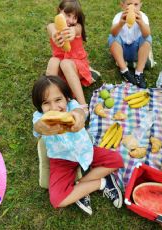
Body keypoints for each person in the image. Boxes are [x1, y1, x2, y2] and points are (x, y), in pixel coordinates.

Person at [32, 76, 124, 215]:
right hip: (61, 160)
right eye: (46, 103)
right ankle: (100, 183)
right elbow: (38, 127)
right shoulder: (39, 117)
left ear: (66, 98)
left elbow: (79, 113)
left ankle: (81, 185)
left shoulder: (72, 106)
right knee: (57, 200)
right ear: (40, 107)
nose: (54, 107)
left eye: (58, 100)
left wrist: (77, 118)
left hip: (86, 151)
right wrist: (44, 127)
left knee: (117, 160)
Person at [46, 0, 95, 111]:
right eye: (68, 15)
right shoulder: (52, 26)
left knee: (65, 63)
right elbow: (51, 28)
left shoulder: (77, 27)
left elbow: (76, 30)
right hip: (61, 69)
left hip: (77, 66)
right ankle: (51, 98)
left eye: (75, 17)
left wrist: (72, 31)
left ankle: (83, 107)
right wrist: (55, 35)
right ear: (60, 10)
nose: (71, 20)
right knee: (53, 61)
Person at [108, 0, 152, 88]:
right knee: (112, 37)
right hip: (122, 51)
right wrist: (121, 23)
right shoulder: (119, 17)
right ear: (122, 5)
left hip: (137, 51)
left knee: (147, 38)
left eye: (136, 4)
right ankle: (124, 70)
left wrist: (141, 23)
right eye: (129, 4)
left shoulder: (143, 17)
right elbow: (113, 32)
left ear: (140, 5)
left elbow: (147, 33)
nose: (133, 7)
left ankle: (139, 72)